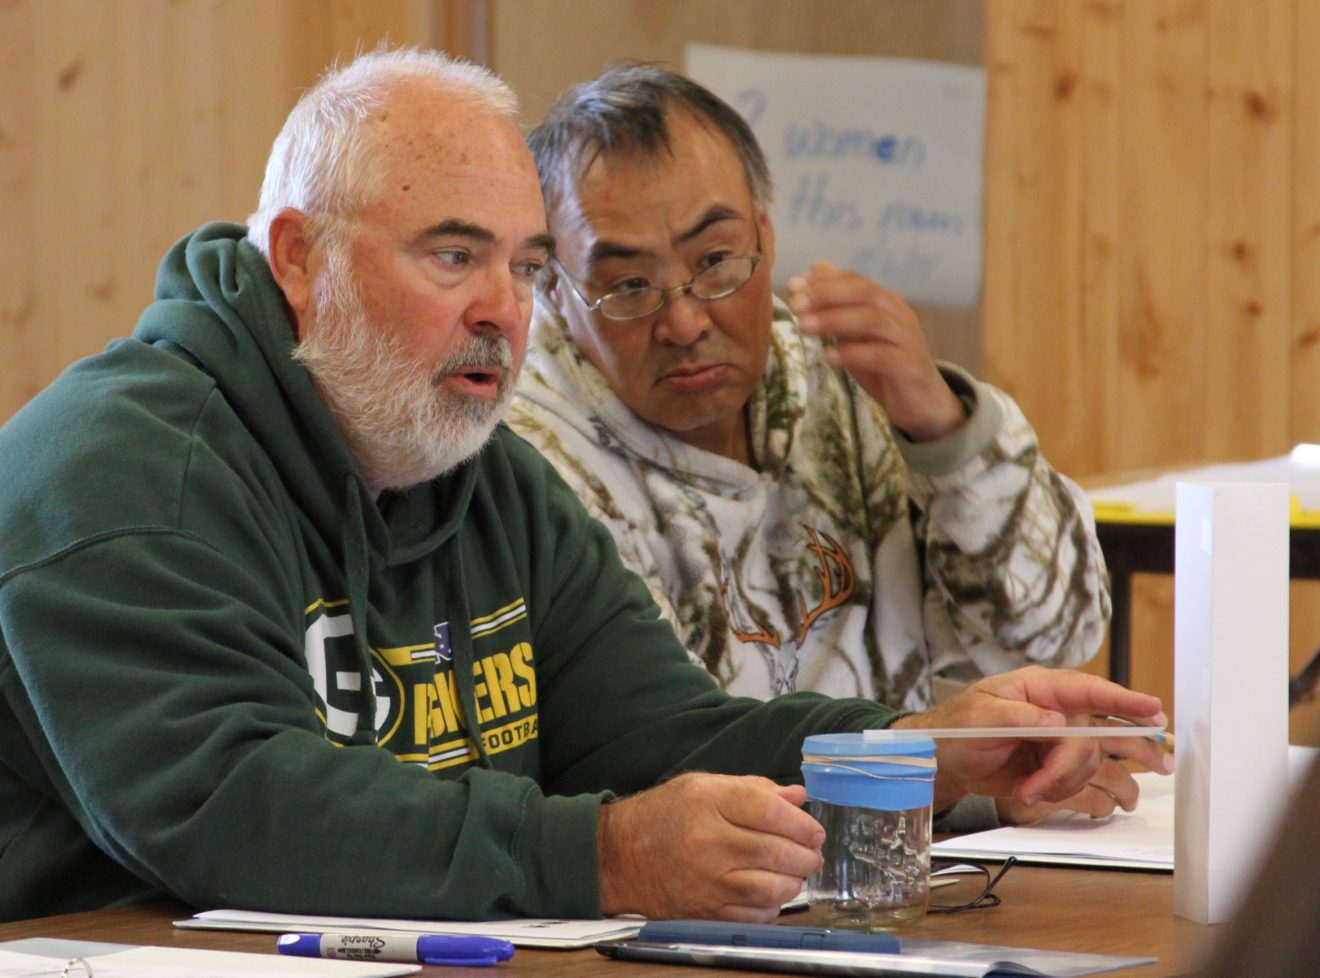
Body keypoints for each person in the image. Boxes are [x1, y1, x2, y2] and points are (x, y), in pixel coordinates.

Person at [0, 47, 1168, 926]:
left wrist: (918, 755)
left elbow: (660, 731)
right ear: (300, 258)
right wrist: (601, 857)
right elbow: (236, 810)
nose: (501, 312)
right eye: (454, 256)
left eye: (526, 267)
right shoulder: (122, 472)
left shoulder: (471, 467)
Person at [509, 63, 1110, 713]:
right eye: (629, 286)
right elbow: (662, 753)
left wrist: (947, 434)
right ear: (553, 291)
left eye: (715, 261)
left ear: (765, 236)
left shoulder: (843, 385)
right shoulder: (531, 462)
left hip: (904, 807)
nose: (683, 322)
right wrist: (945, 772)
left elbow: (1060, 635)